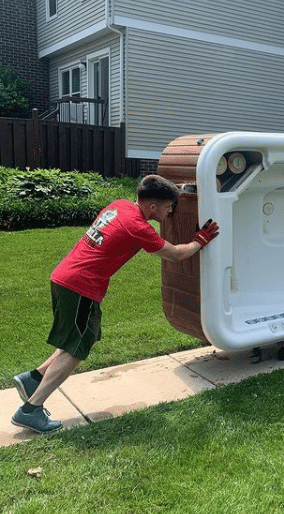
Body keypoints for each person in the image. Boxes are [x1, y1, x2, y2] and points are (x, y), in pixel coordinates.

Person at [11, 175, 219, 434]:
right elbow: (175, 254)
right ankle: (31, 409)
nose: (171, 211)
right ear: (152, 208)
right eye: (169, 207)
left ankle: (33, 379)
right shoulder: (138, 226)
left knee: (85, 339)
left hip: (67, 278)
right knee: (76, 349)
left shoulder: (120, 205)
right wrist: (200, 241)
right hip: (80, 285)